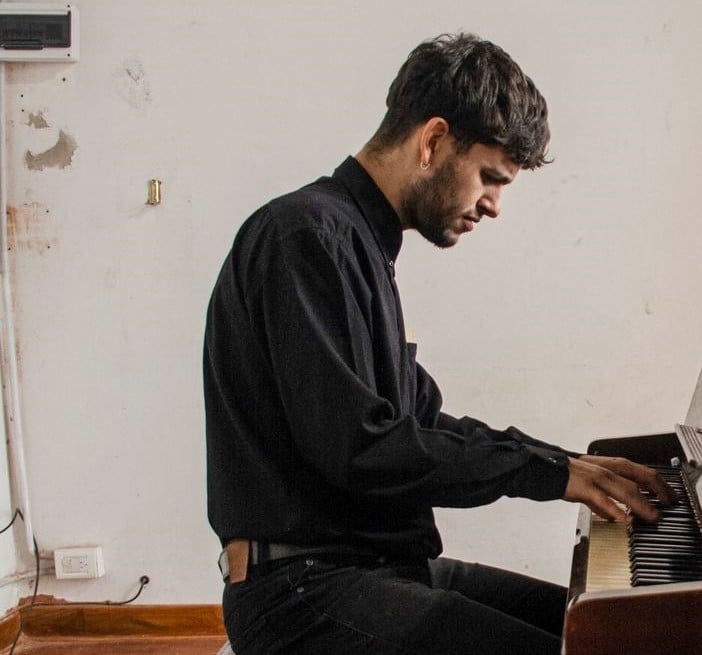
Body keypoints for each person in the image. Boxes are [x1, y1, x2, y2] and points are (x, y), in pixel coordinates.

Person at [204, 33, 672, 655]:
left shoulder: (358, 244)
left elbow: (420, 423)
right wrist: (543, 474)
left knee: (606, 631)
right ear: (432, 141)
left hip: (373, 567)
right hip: (301, 592)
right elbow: (362, 448)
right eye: (489, 177)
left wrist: (567, 464)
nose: (494, 205)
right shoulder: (305, 236)